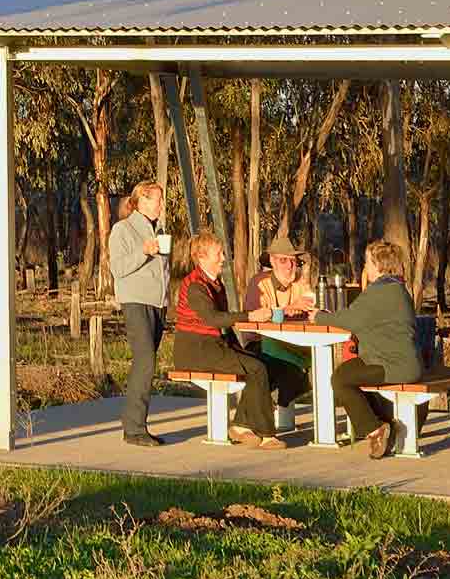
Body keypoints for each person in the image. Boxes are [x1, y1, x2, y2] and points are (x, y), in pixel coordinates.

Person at [172, 231, 307, 449]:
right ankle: (265, 433)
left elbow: (221, 324)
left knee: (260, 364)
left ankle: (243, 425)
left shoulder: (214, 283)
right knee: (256, 368)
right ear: (202, 257)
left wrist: (237, 346)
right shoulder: (196, 286)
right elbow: (214, 319)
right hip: (196, 351)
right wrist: (249, 316)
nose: (224, 258)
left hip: (212, 347)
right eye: (219, 254)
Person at [312, 238, 423, 458]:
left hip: (392, 366)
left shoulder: (378, 293)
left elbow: (350, 319)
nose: (365, 267)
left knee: (341, 378)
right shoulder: (397, 288)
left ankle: (375, 429)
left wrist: (318, 317)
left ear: (378, 265)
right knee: (351, 372)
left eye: (367, 263)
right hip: (401, 362)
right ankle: (382, 424)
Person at [107, 181, 171, 446]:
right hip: (135, 302)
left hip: (158, 304)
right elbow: (118, 268)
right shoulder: (122, 229)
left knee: (146, 363)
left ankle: (135, 424)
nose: (160, 205)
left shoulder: (160, 231)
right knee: (145, 361)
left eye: (160, 200)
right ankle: (133, 429)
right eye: (156, 200)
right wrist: (144, 252)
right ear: (142, 201)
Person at [243, 234, 317, 316]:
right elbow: (254, 317)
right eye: (283, 260)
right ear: (272, 261)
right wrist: (290, 308)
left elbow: (312, 309)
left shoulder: (300, 283)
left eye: (293, 260)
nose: (289, 265)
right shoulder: (260, 283)